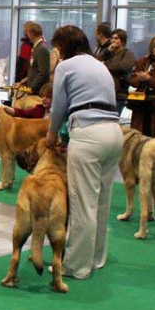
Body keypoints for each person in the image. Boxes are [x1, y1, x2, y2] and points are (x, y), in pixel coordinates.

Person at [46, 25, 122, 280]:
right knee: (101, 202)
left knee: (82, 204)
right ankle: (96, 258)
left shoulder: (66, 67)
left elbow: (59, 106)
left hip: (88, 133)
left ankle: (75, 266)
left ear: (63, 46)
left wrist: (52, 133)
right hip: (114, 132)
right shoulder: (98, 64)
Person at [103, 28, 135, 115]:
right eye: (112, 38)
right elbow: (98, 61)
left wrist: (105, 65)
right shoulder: (109, 54)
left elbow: (123, 66)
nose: (113, 40)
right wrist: (107, 51)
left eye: (116, 38)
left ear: (122, 41)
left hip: (119, 93)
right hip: (106, 92)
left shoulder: (127, 54)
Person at [20, 21, 50, 96]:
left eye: (28, 32)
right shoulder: (36, 47)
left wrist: (32, 88)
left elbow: (43, 73)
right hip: (33, 88)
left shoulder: (41, 49)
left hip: (37, 91)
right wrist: (27, 79)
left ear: (31, 34)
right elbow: (34, 68)